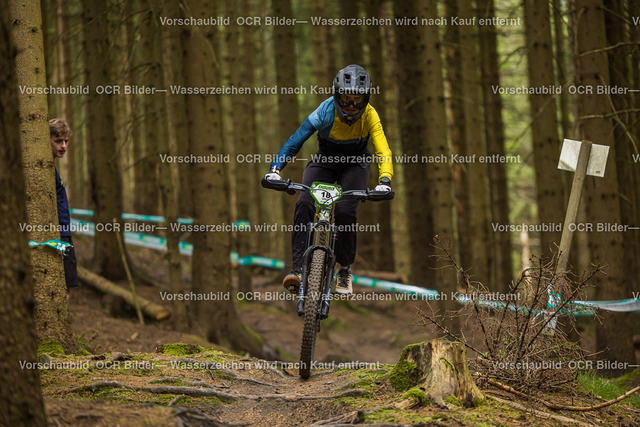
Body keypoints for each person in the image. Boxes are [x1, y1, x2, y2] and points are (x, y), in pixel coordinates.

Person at [264, 64, 393, 298]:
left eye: (357, 99)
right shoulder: (324, 111)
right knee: (304, 203)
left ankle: (344, 269)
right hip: (325, 160)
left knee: (344, 210)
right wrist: (275, 169)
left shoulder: (370, 115)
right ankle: (297, 270)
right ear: (337, 95)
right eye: (346, 98)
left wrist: (385, 180)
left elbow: (383, 149)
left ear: (366, 98)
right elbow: (294, 141)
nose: (351, 105)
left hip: (356, 164)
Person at [50, 118, 79, 298]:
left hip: (63, 229)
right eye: (58, 141)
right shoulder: (45, 169)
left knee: (67, 286)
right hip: (58, 230)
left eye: (66, 141)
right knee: (63, 288)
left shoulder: (51, 168)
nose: (63, 146)